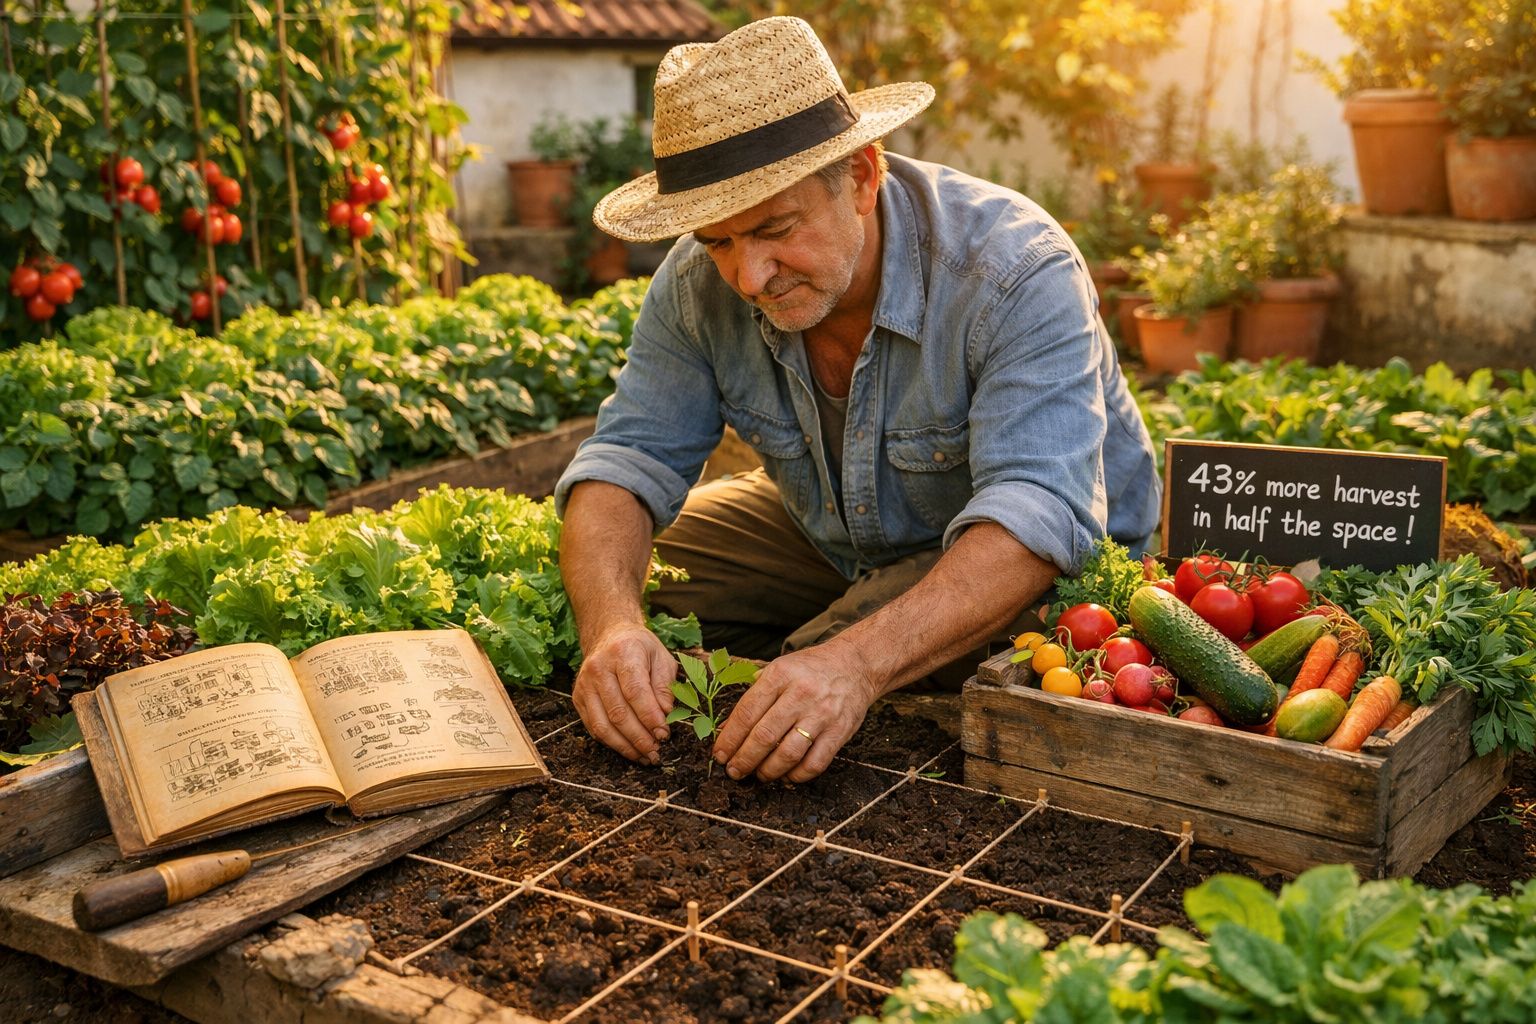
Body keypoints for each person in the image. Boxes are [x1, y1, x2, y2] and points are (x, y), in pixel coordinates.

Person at [554, 16, 1160, 786]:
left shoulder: (1012, 269)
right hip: (838, 526)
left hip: (1024, 563)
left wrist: (852, 662)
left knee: (809, 669)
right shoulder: (695, 281)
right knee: (635, 572)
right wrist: (610, 629)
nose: (749, 276)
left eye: (776, 229)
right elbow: (627, 458)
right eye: (719, 241)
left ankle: (818, 655)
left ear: (864, 177)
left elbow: (1036, 514)